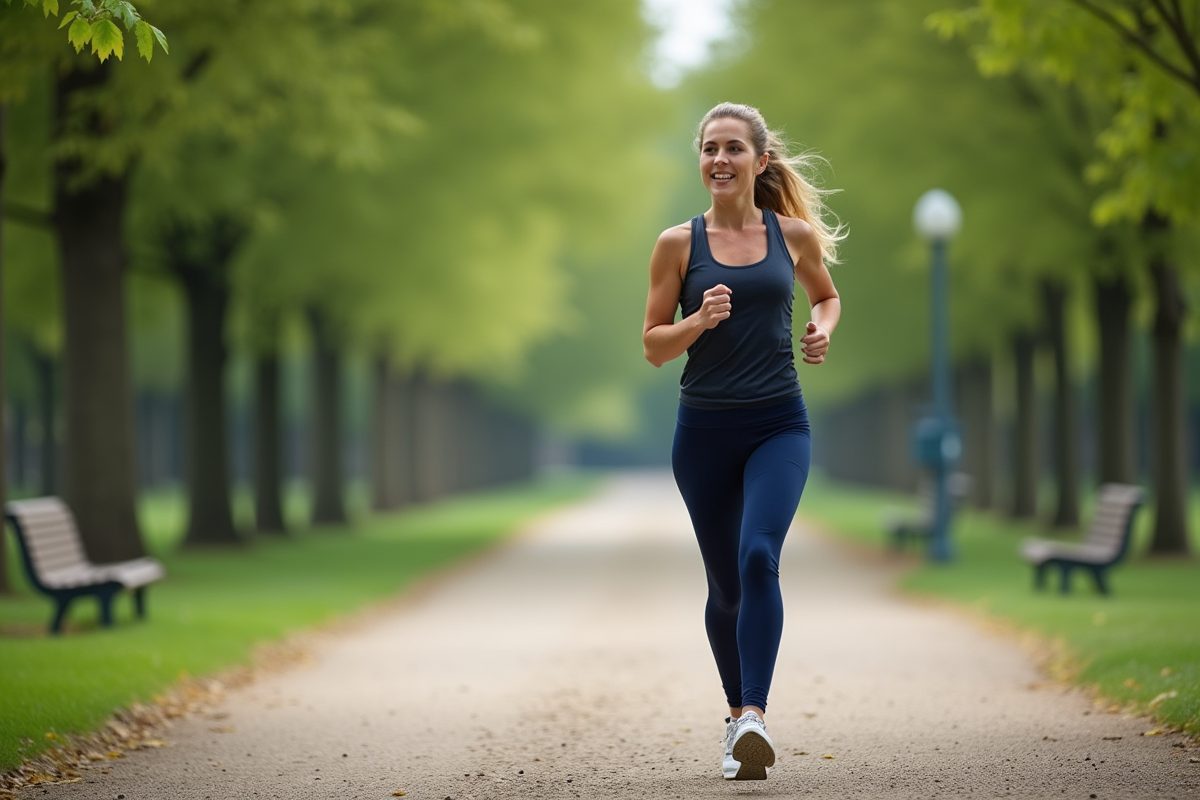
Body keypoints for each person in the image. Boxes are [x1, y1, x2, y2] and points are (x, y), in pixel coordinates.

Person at [641, 102, 844, 781]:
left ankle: (754, 715)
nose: (719, 159)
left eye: (733, 148)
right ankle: (735, 721)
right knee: (724, 584)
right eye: (708, 148)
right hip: (703, 433)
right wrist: (697, 320)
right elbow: (652, 347)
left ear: (761, 161)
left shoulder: (792, 236)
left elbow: (827, 296)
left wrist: (822, 329)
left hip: (778, 423)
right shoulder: (677, 244)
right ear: (700, 161)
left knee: (760, 556)